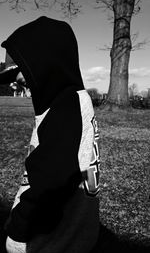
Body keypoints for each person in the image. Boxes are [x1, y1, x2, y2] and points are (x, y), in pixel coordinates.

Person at [0, 16, 100, 253]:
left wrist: (20, 228)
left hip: (50, 238)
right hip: (71, 233)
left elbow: (50, 181)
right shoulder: (72, 102)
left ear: (46, 62)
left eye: (24, 75)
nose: (19, 84)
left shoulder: (65, 108)